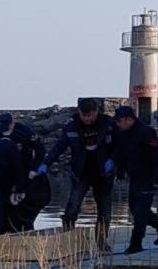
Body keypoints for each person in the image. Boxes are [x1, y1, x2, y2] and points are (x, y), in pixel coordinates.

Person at [40, 98, 116, 251]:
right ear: (79, 113)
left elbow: (120, 145)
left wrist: (113, 161)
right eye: (84, 115)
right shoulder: (71, 127)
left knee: (104, 211)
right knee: (72, 208)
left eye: (90, 115)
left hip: (103, 174)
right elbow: (58, 147)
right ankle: (67, 240)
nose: (87, 119)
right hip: (80, 174)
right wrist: (45, 163)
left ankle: (101, 243)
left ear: (96, 112)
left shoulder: (108, 125)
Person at [113, 106, 158, 255]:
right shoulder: (122, 133)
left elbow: (156, 156)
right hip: (134, 177)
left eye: (120, 121)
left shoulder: (147, 132)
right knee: (135, 210)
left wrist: (157, 178)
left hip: (147, 177)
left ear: (129, 119)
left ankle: (136, 243)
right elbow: (121, 154)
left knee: (140, 212)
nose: (118, 124)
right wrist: (120, 172)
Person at [6, 123, 51, 232]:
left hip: (33, 188)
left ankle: (24, 231)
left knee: (23, 217)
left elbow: (40, 150)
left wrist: (33, 169)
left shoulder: (25, 134)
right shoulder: (2, 139)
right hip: (18, 183)